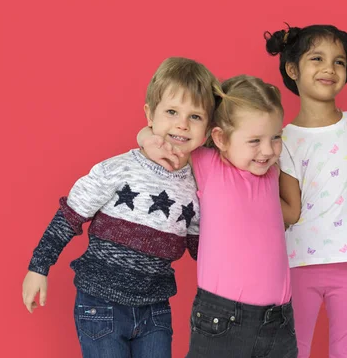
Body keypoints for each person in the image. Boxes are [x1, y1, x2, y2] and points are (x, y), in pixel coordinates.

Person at [22, 57, 218, 358]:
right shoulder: (117, 169)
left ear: (208, 128)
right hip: (100, 305)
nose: (182, 123)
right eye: (171, 112)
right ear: (149, 115)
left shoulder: (198, 186)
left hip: (155, 311)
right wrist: (39, 266)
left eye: (195, 116)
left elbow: (200, 249)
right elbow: (70, 216)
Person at [139, 75, 297, 358]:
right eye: (254, 140)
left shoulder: (272, 171)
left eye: (276, 137)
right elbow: (164, 137)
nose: (267, 149)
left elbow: (287, 214)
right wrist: (146, 138)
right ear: (221, 138)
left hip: (280, 320)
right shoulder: (209, 165)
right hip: (223, 319)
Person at [265, 24, 347, 358]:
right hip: (299, 258)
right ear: (292, 69)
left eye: (339, 62)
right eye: (317, 58)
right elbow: (292, 209)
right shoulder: (284, 138)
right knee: (294, 348)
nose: (330, 68)